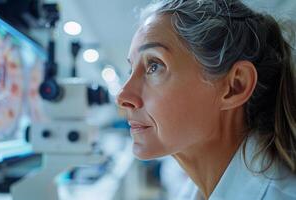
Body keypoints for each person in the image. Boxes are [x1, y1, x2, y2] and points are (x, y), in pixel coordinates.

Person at [116, 0, 296, 199]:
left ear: (235, 86)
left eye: (154, 66)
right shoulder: (193, 192)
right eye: (131, 70)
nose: (123, 96)